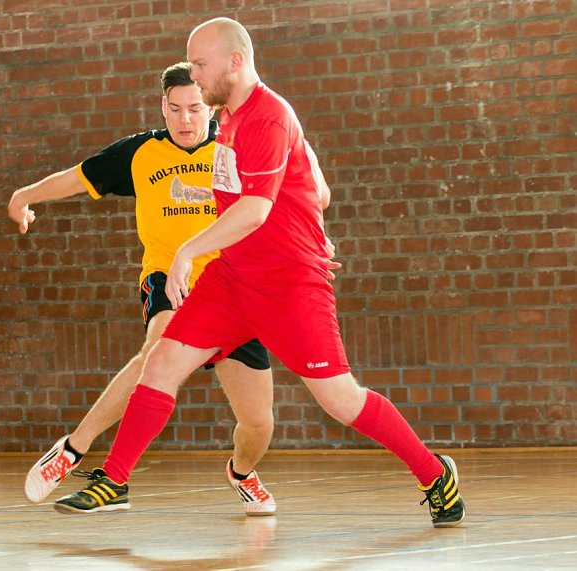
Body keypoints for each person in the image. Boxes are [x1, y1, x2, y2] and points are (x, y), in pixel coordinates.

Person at [55, 18, 466, 529]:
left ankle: (433, 473)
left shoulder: (268, 118)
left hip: (290, 287)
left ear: (234, 61)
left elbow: (254, 209)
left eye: (201, 64)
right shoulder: (228, 117)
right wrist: (307, 221)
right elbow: (306, 192)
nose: (194, 73)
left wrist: (192, 252)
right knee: (160, 363)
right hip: (233, 279)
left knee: (341, 401)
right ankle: (115, 479)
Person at [8, 62, 281, 516]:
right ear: (163, 107)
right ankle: (75, 450)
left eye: (195, 109)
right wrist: (25, 195)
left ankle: (241, 471)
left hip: (234, 290)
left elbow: (276, 202)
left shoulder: (234, 150)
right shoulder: (139, 153)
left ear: (211, 107)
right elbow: (78, 177)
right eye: (175, 110)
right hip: (168, 279)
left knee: (258, 424)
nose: (186, 120)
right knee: (157, 348)